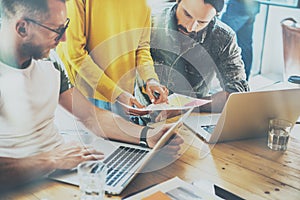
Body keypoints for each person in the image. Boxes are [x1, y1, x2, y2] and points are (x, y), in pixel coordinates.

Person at [0, 0, 182, 191]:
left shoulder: (50, 62)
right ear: (22, 28)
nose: (63, 40)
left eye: (66, 27)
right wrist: (52, 160)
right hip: (24, 184)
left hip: (67, 170)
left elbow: (91, 117)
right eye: (57, 30)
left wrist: (147, 136)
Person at [56, 0, 169, 118]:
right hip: (85, 96)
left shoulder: (143, 4)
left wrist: (150, 79)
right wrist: (116, 93)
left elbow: (141, 48)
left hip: (125, 98)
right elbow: (75, 54)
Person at [150, 0, 249, 113]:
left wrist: (187, 108)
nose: (190, 27)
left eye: (201, 22)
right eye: (187, 15)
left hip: (190, 119)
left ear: (214, 17)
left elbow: (237, 94)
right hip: (142, 116)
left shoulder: (223, 38)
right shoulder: (150, 21)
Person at [221, 0, 260, 80]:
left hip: (238, 7)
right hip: (252, 6)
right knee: (245, 45)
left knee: (219, 37)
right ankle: (243, 82)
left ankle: (202, 83)